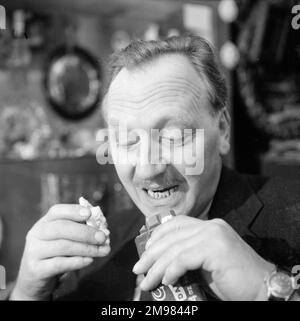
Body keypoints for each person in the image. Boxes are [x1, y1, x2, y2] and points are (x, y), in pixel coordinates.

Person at [8, 35, 300, 301]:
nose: (148, 169)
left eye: (173, 136)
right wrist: (26, 293)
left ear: (222, 129)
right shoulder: (95, 253)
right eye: (126, 140)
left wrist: (267, 289)